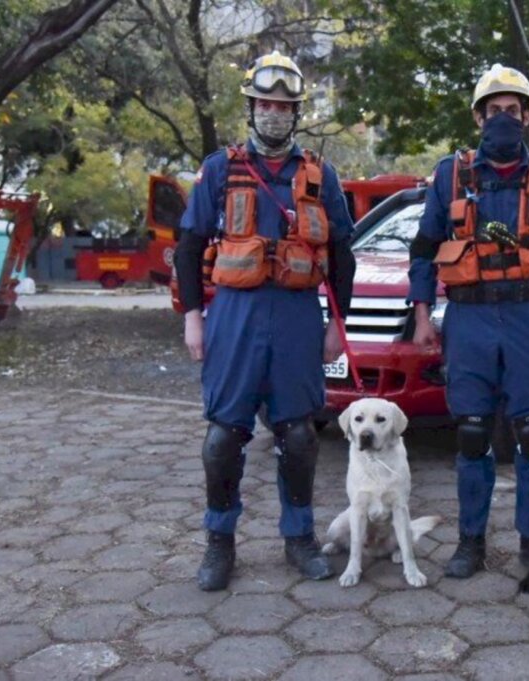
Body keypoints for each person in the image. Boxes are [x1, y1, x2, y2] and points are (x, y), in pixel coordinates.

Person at [174, 50, 356, 591]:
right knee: (223, 438)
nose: (274, 113)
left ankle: (299, 539)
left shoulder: (321, 176)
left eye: (284, 106)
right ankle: (218, 543)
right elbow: (188, 247)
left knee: (298, 434)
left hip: (299, 314)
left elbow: (342, 255)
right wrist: (192, 317)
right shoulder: (218, 169)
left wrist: (336, 325)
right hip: (234, 313)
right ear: (251, 108)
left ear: (297, 113)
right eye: (265, 104)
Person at [408, 64, 529, 579]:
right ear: (479, 119)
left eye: (513, 111)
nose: (504, 120)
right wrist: (422, 313)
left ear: (528, 116)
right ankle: (471, 543)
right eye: (494, 112)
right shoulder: (451, 174)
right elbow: (423, 249)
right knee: (470, 432)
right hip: (467, 318)